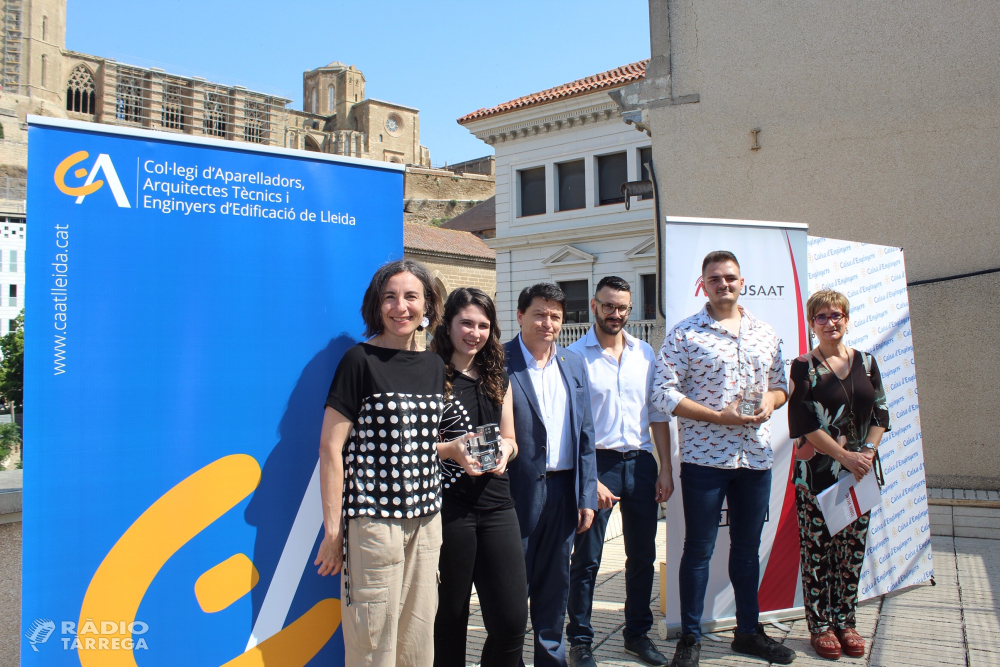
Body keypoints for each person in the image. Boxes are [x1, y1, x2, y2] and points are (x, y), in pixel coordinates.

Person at [315, 258, 479, 667]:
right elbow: (330, 450)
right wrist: (333, 532)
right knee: (372, 640)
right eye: (390, 297)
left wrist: (460, 450)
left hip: (427, 524)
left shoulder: (433, 365)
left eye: (411, 297)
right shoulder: (359, 360)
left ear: (428, 307)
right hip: (373, 523)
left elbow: (423, 445)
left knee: (418, 639)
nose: (400, 307)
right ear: (376, 304)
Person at [652, 250, 796, 667]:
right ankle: (690, 639)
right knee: (697, 549)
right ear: (703, 284)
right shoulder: (684, 335)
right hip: (704, 461)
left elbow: (780, 385)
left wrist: (771, 401)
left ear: (742, 281)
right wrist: (719, 416)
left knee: (747, 549)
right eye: (714, 279)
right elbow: (663, 394)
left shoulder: (765, 333)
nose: (723, 284)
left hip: (754, 460)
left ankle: (748, 633)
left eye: (730, 277)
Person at [565, 276, 673, 667]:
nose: (616, 314)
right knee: (588, 558)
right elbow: (570, 424)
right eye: (608, 306)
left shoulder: (646, 353)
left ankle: (637, 635)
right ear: (594, 306)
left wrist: (665, 469)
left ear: (630, 309)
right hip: (599, 464)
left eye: (623, 307)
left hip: (642, 463)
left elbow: (658, 414)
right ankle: (579, 640)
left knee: (642, 555)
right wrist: (587, 478)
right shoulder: (574, 356)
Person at [787, 289, 890, 660]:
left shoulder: (868, 361)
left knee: (852, 552)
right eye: (822, 317)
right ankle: (820, 626)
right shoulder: (803, 365)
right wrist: (843, 455)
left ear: (846, 318)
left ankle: (846, 620)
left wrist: (866, 453)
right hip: (818, 475)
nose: (830, 323)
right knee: (818, 552)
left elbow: (880, 413)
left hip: (860, 473)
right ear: (812, 323)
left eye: (836, 315)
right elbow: (802, 422)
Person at [431, 287, 528, 667]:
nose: (474, 332)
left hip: (498, 505)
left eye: (483, 325)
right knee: (450, 620)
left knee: (511, 621)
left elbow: (511, 439)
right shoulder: (428, 374)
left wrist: (506, 450)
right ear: (448, 324)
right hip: (447, 509)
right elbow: (409, 449)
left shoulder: (496, 375)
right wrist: (453, 450)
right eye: (466, 323)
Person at [505, 282, 598, 667]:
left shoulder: (573, 363)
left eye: (555, 316)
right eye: (539, 314)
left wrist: (586, 496)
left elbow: (587, 435)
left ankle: (551, 660)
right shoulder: (498, 360)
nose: (548, 323)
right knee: (511, 592)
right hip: (515, 494)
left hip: (563, 491)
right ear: (520, 316)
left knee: (555, 586)